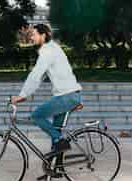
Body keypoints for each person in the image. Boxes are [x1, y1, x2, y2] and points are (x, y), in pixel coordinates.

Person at [11, 24, 82, 153]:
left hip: (65, 96)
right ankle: (57, 169)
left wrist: (22, 95)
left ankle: (60, 141)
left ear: (43, 35)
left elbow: (35, 75)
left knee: (36, 115)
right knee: (57, 138)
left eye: (34, 34)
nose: (31, 37)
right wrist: (26, 94)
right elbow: (40, 78)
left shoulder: (47, 51)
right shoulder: (53, 48)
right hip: (70, 95)